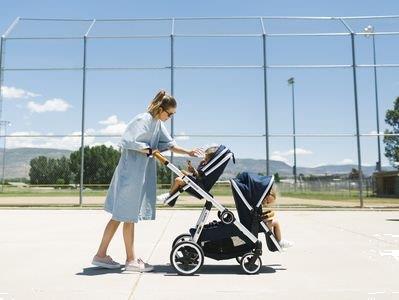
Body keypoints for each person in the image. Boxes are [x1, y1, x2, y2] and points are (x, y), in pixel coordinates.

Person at [92, 90, 202, 272]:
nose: (171, 117)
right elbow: (129, 141)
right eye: (170, 113)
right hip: (130, 175)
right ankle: (130, 260)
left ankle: (101, 255)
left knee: (120, 216)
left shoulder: (158, 124)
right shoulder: (143, 119)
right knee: (127, 217)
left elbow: (170, 144)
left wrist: (188, 152)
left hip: (138, 176)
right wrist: (149, 150)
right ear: (161, 109)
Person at [261, 184, 293, 249]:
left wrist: (268, 215)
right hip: (258, 223)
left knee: (273, 222)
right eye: (267, 201)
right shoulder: (259, 202)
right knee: (276, 223)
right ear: (267, 196)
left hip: (257, 221)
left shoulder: (258, 201)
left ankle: (277, 241)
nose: (266, 204)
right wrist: (267, 216)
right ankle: (280, 242)